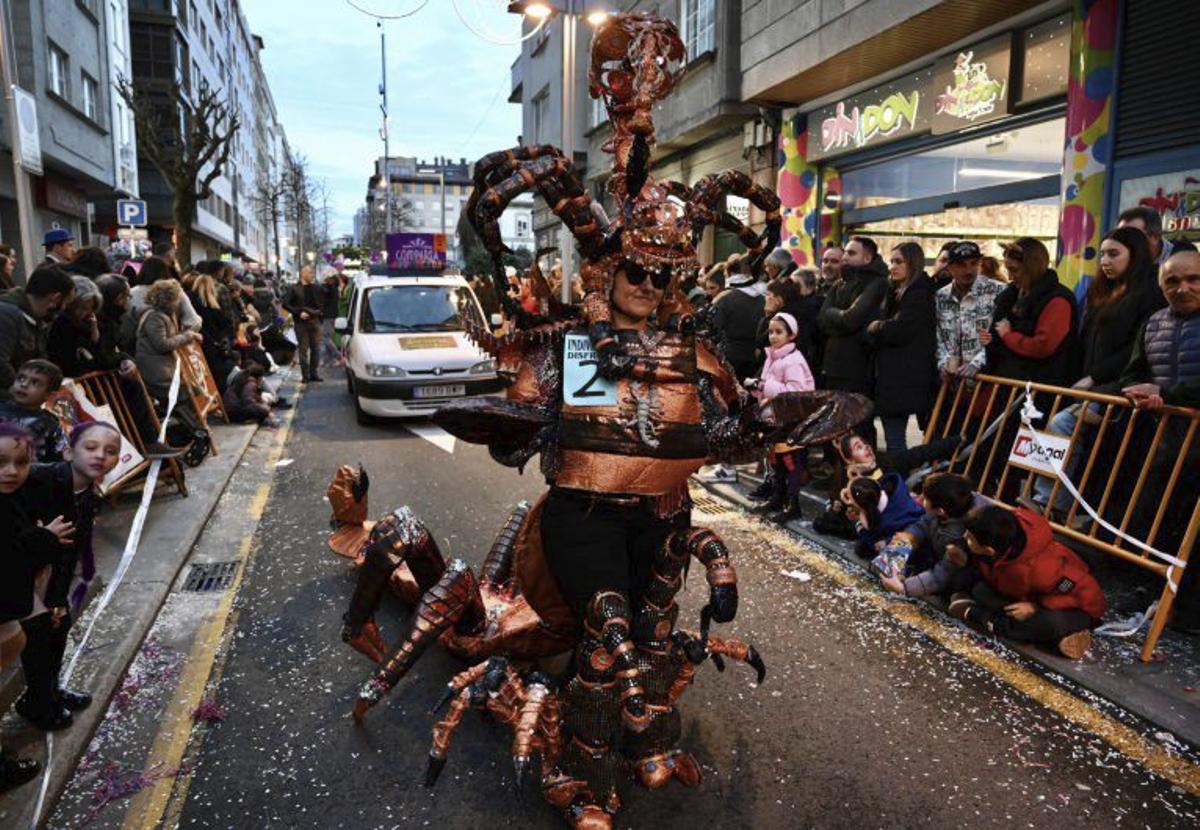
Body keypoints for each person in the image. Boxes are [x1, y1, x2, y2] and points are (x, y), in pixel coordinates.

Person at [1032, 226, 1166, 513]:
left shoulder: (1150, 294)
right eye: (1102, 254)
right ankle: (1053, 502)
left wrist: (1095, 377)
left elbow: (1136, 349)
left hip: (1119, 389)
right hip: (1091, 386)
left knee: (1062, 425)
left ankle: (1050, 503)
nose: (1105, 260)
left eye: (1114, 254)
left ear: (1136, 254)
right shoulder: (1102, 292)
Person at [1100, 250, 1200, 633]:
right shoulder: (1153, 323)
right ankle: (1157, 596)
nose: (1182, 288)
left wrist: (1168, 393)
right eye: (1172, 282)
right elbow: (1134, 373)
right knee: (1158, 523)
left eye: (1193, 279)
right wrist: (1135, 390)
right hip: (1165, 446)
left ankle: (1187, 611)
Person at [17, 421, 121, 730]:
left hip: (48, 573)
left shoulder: (89, 494)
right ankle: (36, 703)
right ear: (68, 450)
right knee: (35, 633)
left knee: (58, 625)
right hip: (17, 568)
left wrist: (59, 597)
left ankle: (49, 690)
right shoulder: (37, 478)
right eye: (90, 447)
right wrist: (38, 534)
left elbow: (70, 552)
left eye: (110, 451)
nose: (100, 455)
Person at [0, 423, 68, 789]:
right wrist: (45, 538)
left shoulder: (15, 496)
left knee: (42, 628)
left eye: (21, 462)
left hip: (12, 606)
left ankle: (42, 699)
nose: (11, 471)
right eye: (0, 462)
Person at [950, 505, 1106, 659]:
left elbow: (1087, 592)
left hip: (1072, 607)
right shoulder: (1003, 533)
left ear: (989, 550)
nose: (965, 538)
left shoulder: (1044, 570)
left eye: (969, 538)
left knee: (1047, 624)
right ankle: (1054, 640)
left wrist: (1037, 607)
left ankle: (982, 617)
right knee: (980, 590)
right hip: (1024, 595)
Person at [982, 237, 1081, 387]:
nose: (1010, 277)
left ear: (1031, 267)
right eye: (1008, 270)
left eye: (1014, 270)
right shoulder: (1011, 296)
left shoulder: (1057, 300)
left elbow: (1042, 346)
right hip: (1012, 383)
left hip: (1040, 388)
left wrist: (1008, 336)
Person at [866, 241, 936, 452]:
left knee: (895, 440)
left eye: (899, 262)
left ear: (912, 264)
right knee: (893, 438)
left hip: (903, 379)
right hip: (895, 379)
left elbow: (898, 330)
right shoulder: (897, 291)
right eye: (891, 261)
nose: (893, 267)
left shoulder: (918, 294)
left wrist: (878, 327)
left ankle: (899, 482)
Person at [748, 311, 815, 522]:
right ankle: (778, 497)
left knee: (791, 464)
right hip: (778, 419)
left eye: (779, 332)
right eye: (771, 332)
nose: (773, 336)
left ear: (791, 335)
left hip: (792, 421)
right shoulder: (774, 356)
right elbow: (770, 388)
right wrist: (756, 388)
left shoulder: (793, 360)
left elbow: (795, 392)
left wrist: (762, 386)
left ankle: (792, 504)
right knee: (776, 462)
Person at [878, 472, 985, 599]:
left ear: (940, 510)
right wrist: (905, 541)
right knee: (888, 559)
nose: (921, 498)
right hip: (936, 552)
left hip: (960, 573)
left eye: (925, 498)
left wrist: (904, 588)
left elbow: (944, 572)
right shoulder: (950, 503)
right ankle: (902, 572)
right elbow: (921, 526)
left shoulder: (963, 533)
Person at [134, 280, 204, 429]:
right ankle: (192, 429)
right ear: (170, 299)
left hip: (163, 368)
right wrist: (188, 336)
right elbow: (162, 344)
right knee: (185, 393)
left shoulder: (164, 315)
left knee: (191, 391)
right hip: (155, 371)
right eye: (178, 299)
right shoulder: (154, 317)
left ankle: (192, 429)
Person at [934, 241, 1006, 381]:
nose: (968, 270)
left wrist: (978, 363)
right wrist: (943, 364)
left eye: (973, 263)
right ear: (950, 268)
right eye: (961, 265)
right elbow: (938, 337)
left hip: (988, 379)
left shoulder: (999, 291)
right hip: (951, 382)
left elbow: (1002, 335)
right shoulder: (940, 296)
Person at [0, 265, 75, 393]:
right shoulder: (7, 315)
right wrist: (26, 393)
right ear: (55, 298)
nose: (63, 309)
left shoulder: (37, 319)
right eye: (65, 303)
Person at [842, 473, 926, 560]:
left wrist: (859, 523)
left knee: (862, 548)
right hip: (906, 535)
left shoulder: (890, 520)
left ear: (863, 508)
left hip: (917, 551)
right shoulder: (892, 491)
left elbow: (872, 542)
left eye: (852, 502)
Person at [0, 359, 67, 462]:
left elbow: (56, 461)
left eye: (35, 382)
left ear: (49, 395)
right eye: (21, 378)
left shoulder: (49, 424)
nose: (24, 384)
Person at [710, 257, 765, 381]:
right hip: (755, 357)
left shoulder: (725, 298)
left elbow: (713, 327)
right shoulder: (764, 298)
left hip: (731, 356)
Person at [189, 273, 237, 392]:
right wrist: (226, 341)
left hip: (196, 349)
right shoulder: (214, 307)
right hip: (214, 351)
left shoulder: (190, 302)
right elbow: (228, 326)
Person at [129, 256, 202, 331]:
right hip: (170, 338)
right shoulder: (174, 292)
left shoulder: (131, 293)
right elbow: (194, 322)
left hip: (138, 340)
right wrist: (182, 337)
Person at [284, 265, 323, 383]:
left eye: (312, 273)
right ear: (303, 273)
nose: (312, 275)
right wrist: (298, 313)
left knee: (316, 348)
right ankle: (305, 376)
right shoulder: (294, 288)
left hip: (315, 321)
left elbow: (321, 303)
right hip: (301, 323)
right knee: (303, 349)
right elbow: (285, 304)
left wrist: (319, 314)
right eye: (310, 272)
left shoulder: (316, 287)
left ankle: (314, 373)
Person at [222, 361, 275, 425]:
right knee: (261, 412)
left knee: (262, 407)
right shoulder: (250, 384)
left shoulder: (244, 378)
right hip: (235, 413)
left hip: (231, 410)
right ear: (259, 378)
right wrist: (266, 412)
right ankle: (248, 419)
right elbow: (249, 403)